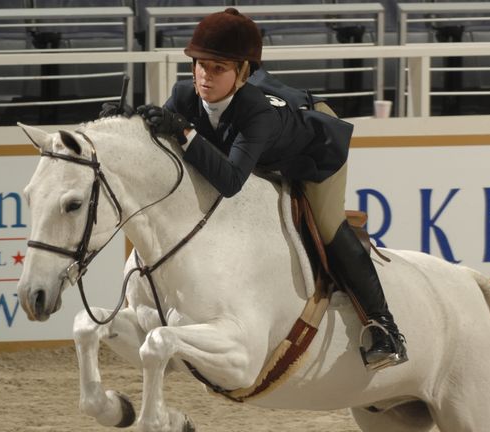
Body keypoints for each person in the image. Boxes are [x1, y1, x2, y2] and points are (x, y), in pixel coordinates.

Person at [100, 7, 407, 371]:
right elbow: (162, 148)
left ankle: (384, 326)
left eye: (218, 69)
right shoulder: (184, 95)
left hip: (311, 153)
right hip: (257, 153)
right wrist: (124, 124)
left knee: (326, 225)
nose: (205, 76)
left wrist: (183, 132)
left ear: (242, 73)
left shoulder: (256, 112)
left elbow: (229, 182)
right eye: (200, 65)